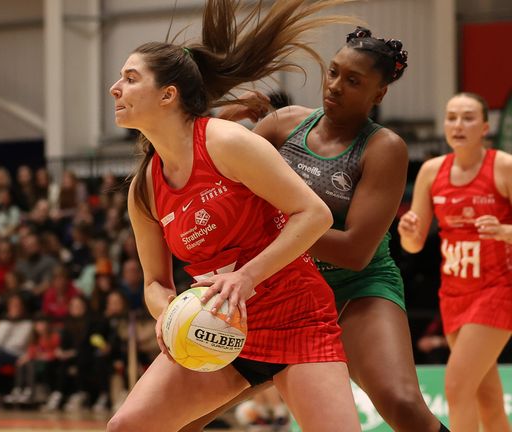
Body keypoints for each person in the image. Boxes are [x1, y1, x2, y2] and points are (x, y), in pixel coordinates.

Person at [106, 1, 362, 431]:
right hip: (220, 331)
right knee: (126, 427)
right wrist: (167, 312)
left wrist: (245, 277)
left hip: (295, 316)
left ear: (168, 95)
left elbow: (312, 214)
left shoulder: (225, 142)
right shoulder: (144, 189)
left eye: (131, 79)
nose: (115, 88)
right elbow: (155, 282)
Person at [218, 27, 448, 432]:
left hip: (357, 286)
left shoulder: (384, 148)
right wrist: (225, 123)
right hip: (285, 286)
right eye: (333, 72)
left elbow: (355, 251)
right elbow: (224, 189)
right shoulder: (284, 124)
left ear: (379, 94)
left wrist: (283, 225)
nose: (336, 86)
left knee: (402, 403)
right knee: (180, 415)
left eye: (354, 81)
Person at [398, 92, 512, 432]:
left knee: (457, 386)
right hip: (453, 296)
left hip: (497, 291)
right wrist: (408, 231)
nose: (458, 125)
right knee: (486, 398)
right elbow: (413, 245)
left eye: (467, 118)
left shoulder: (503, 167)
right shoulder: (432, 172)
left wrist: (504, 230)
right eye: (451, 117)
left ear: (485, 127)